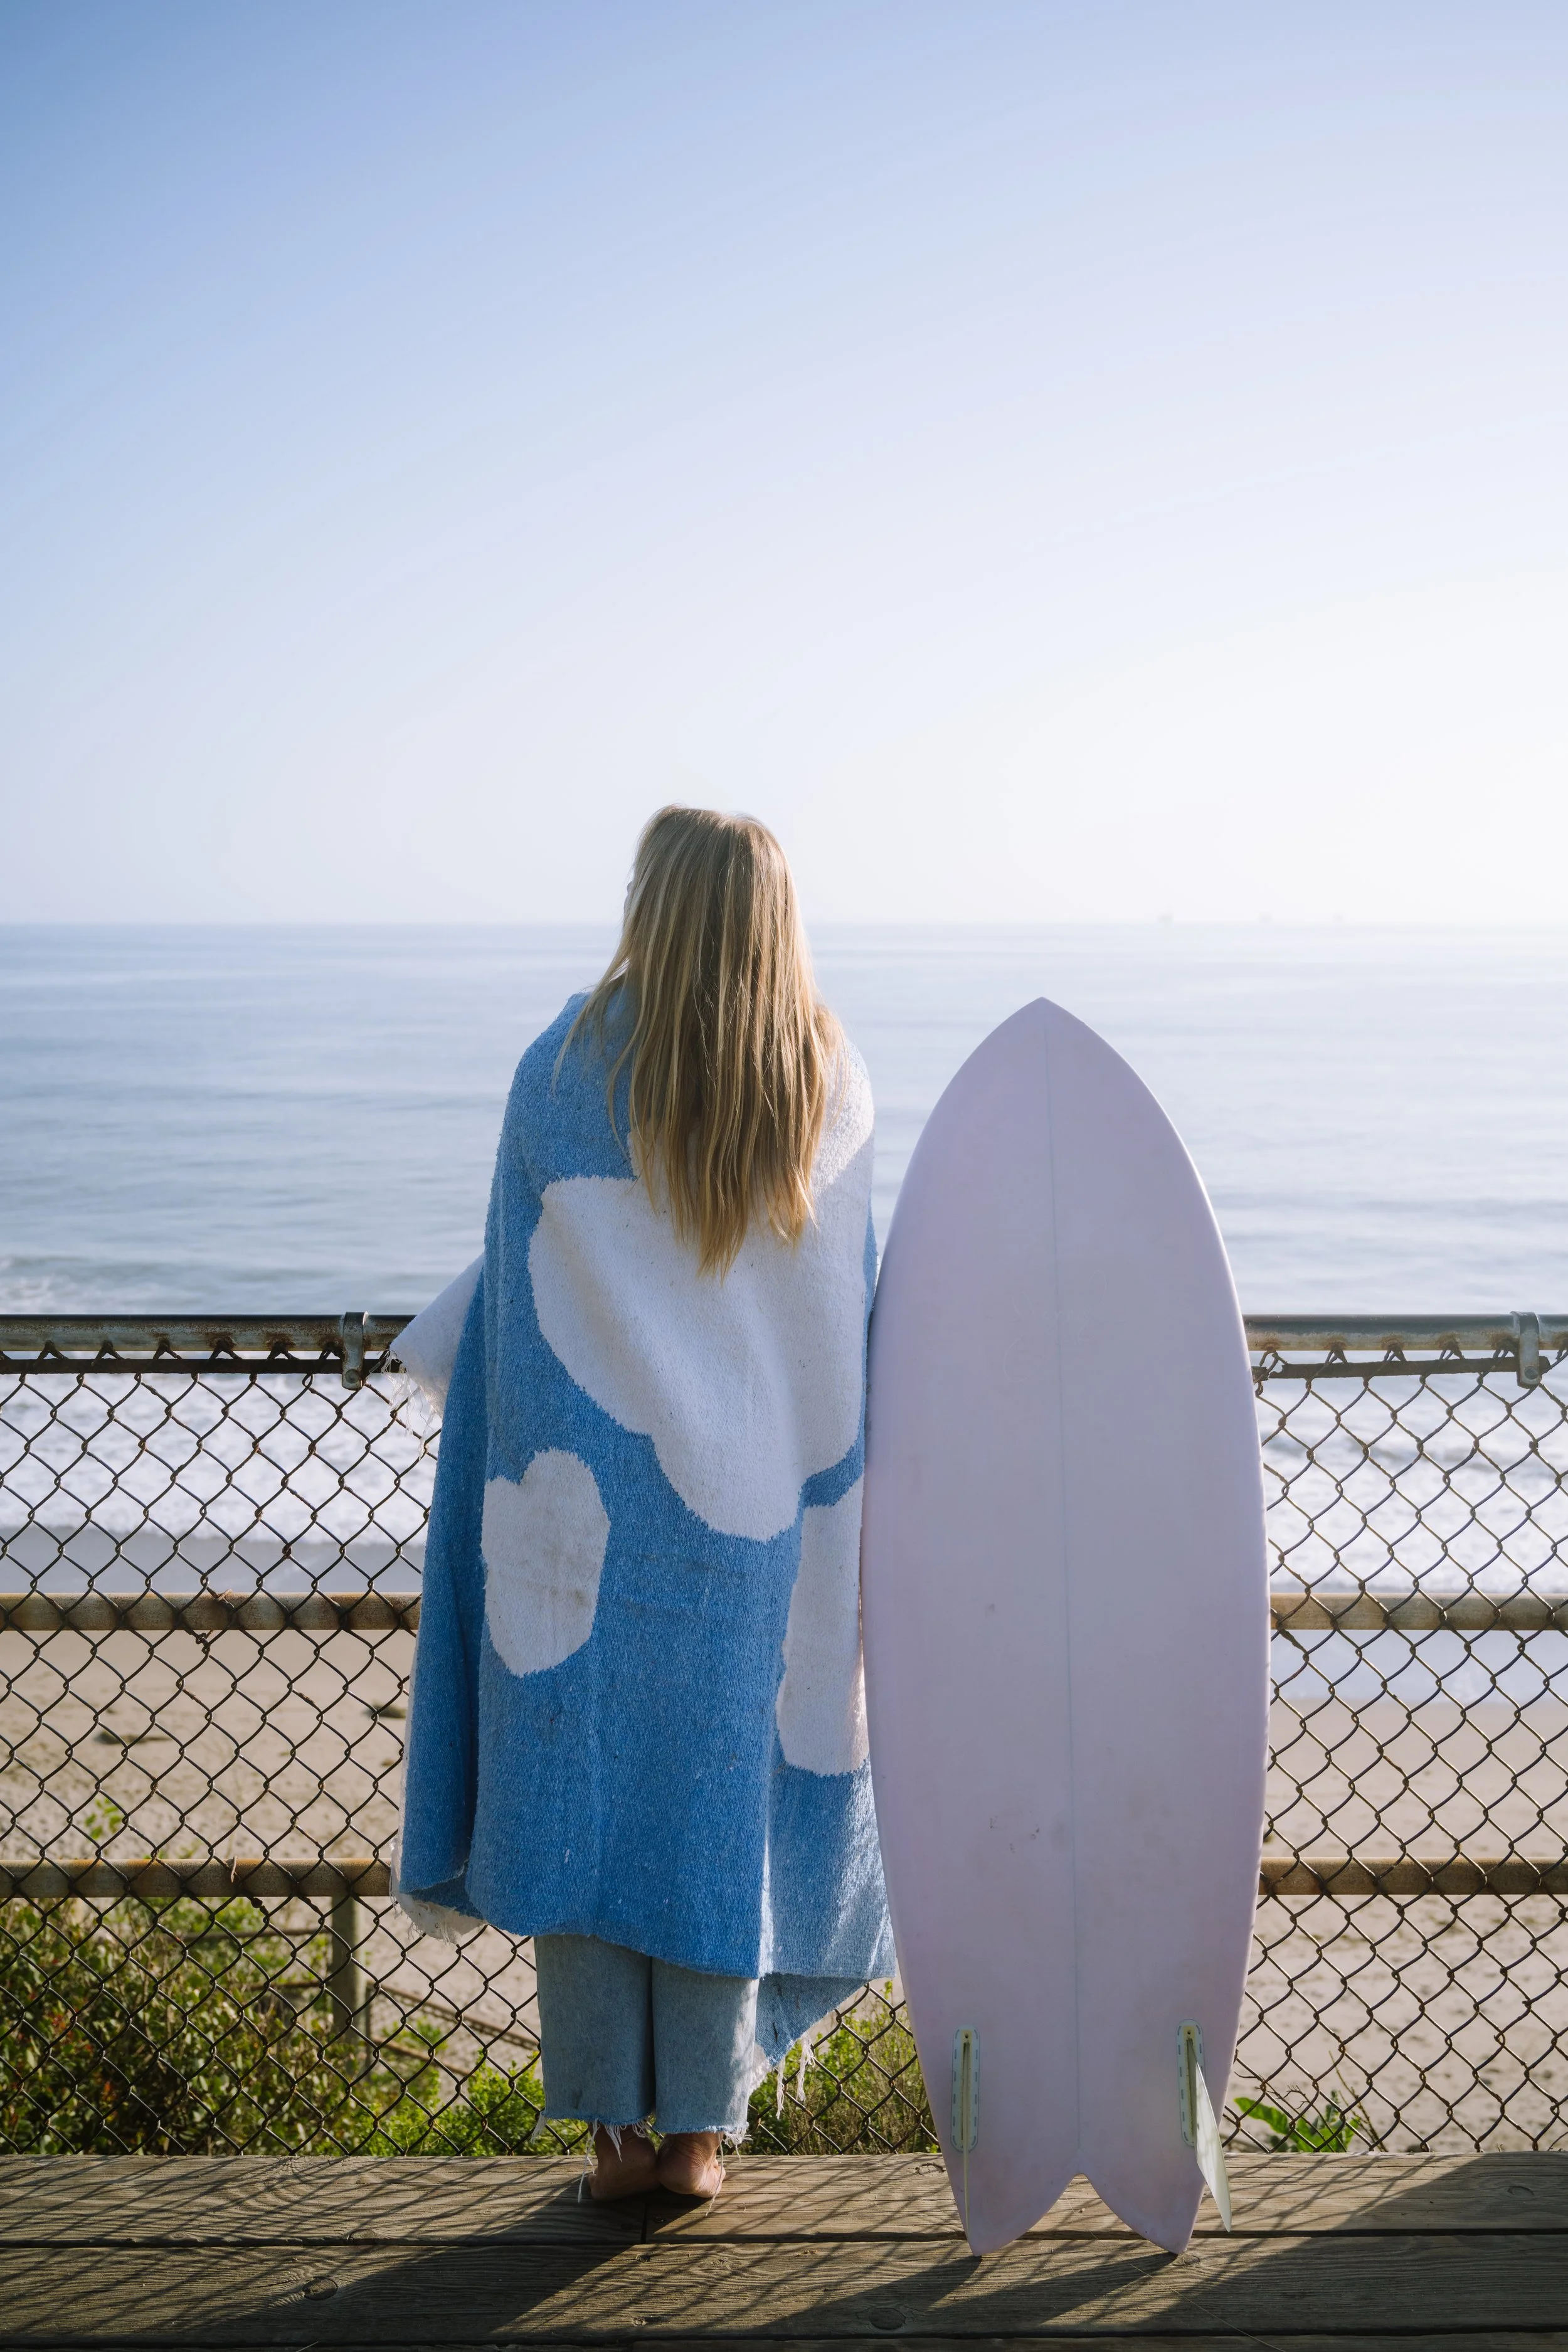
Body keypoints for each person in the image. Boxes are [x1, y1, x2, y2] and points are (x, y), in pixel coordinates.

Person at [394, 807, 892, 2199]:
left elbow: (527, 1288)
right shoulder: (828, 1079)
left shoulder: (560, 1066)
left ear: (646, 902)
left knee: (585, 1793)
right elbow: (840, 1323)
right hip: (761, 1537)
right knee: (720, 1807)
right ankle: (700, 2139)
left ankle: (613, 2135)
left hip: (581, 1524)